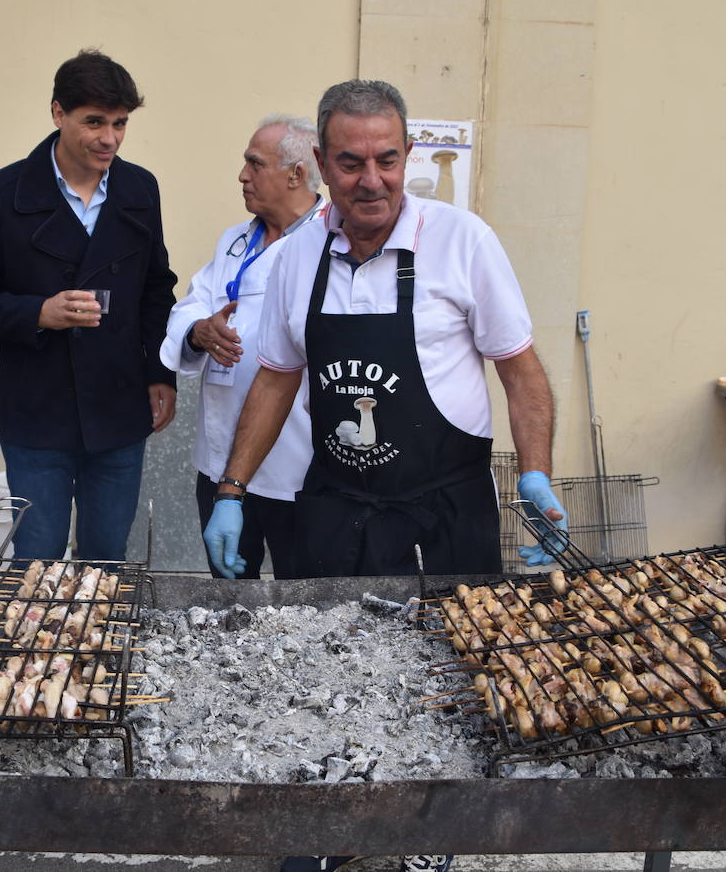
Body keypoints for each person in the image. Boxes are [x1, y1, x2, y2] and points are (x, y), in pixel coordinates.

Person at [200, 82, 568, 872]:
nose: (373, 180)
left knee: (453, 677)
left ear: (405, 157)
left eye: (388, 160)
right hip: (341, 502)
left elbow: (523, 375)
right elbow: (274, 378)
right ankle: (329, 824)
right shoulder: (297, 256)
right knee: (334, 669)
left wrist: (536, 477)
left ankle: (432, 834)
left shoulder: (463, 241)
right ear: (321, 167)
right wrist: (231, 490)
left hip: (446, 507)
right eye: (352, 162)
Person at [0, 49, 177, 563]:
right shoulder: (1, 193)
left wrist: (160, 372)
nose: (109, 138)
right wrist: (38, 312)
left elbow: (157, 289)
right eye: (94, 122)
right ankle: (41, 644)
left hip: (120, 408)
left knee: (106, 557)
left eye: (120, 124)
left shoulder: (140, 188)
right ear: (58, 114)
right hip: (36, 412)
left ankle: (96, 645)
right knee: (38, 559)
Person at [159, 115, 324, 579]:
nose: (242, 175)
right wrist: (199, 332)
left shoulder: (332, 242)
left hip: (296, 466)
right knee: (230, 595)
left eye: (254, 163)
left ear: (296, 173)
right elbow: (189, 307)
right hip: (218, 461)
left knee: (303, 596)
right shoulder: (234, 239)